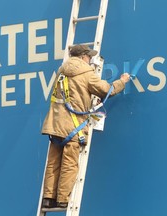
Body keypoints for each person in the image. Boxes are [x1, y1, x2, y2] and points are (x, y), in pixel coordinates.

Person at [41, 44, 130, 208]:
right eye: (89, 56)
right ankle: (62, 199)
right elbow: (106, 90)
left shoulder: (61, 71)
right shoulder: (86, 73)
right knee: (69, 163)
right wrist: (122, 82)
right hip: (72, 126)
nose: (90, 60)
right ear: (83, 57)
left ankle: (47, 198)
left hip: (54, 124)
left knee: (53, 162)